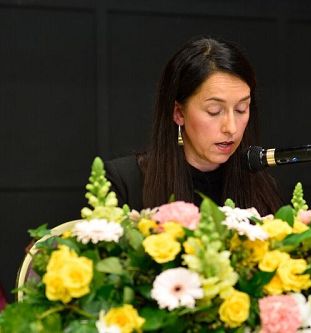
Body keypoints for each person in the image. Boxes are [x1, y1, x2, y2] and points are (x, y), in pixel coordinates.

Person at [105, 37, 283, 215]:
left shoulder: (261, 188)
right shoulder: (126, 182)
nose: (231, 128)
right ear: (179, 113)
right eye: (214, 111)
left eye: (241, 109)